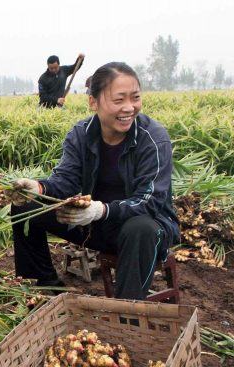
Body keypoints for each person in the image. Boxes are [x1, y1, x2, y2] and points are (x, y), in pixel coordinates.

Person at [12, 62, 179, 300]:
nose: (129, 107)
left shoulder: (153, 138)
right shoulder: (81, 134)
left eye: (135, 98)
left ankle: (127, 312)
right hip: (94, 223)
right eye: (119, 100)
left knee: (140, 228)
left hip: (144, 231)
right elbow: (66, 181)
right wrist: (37, 187)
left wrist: (101, 209)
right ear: (93, 102)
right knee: (26, 206)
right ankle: (45, 286)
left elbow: (151, 201)